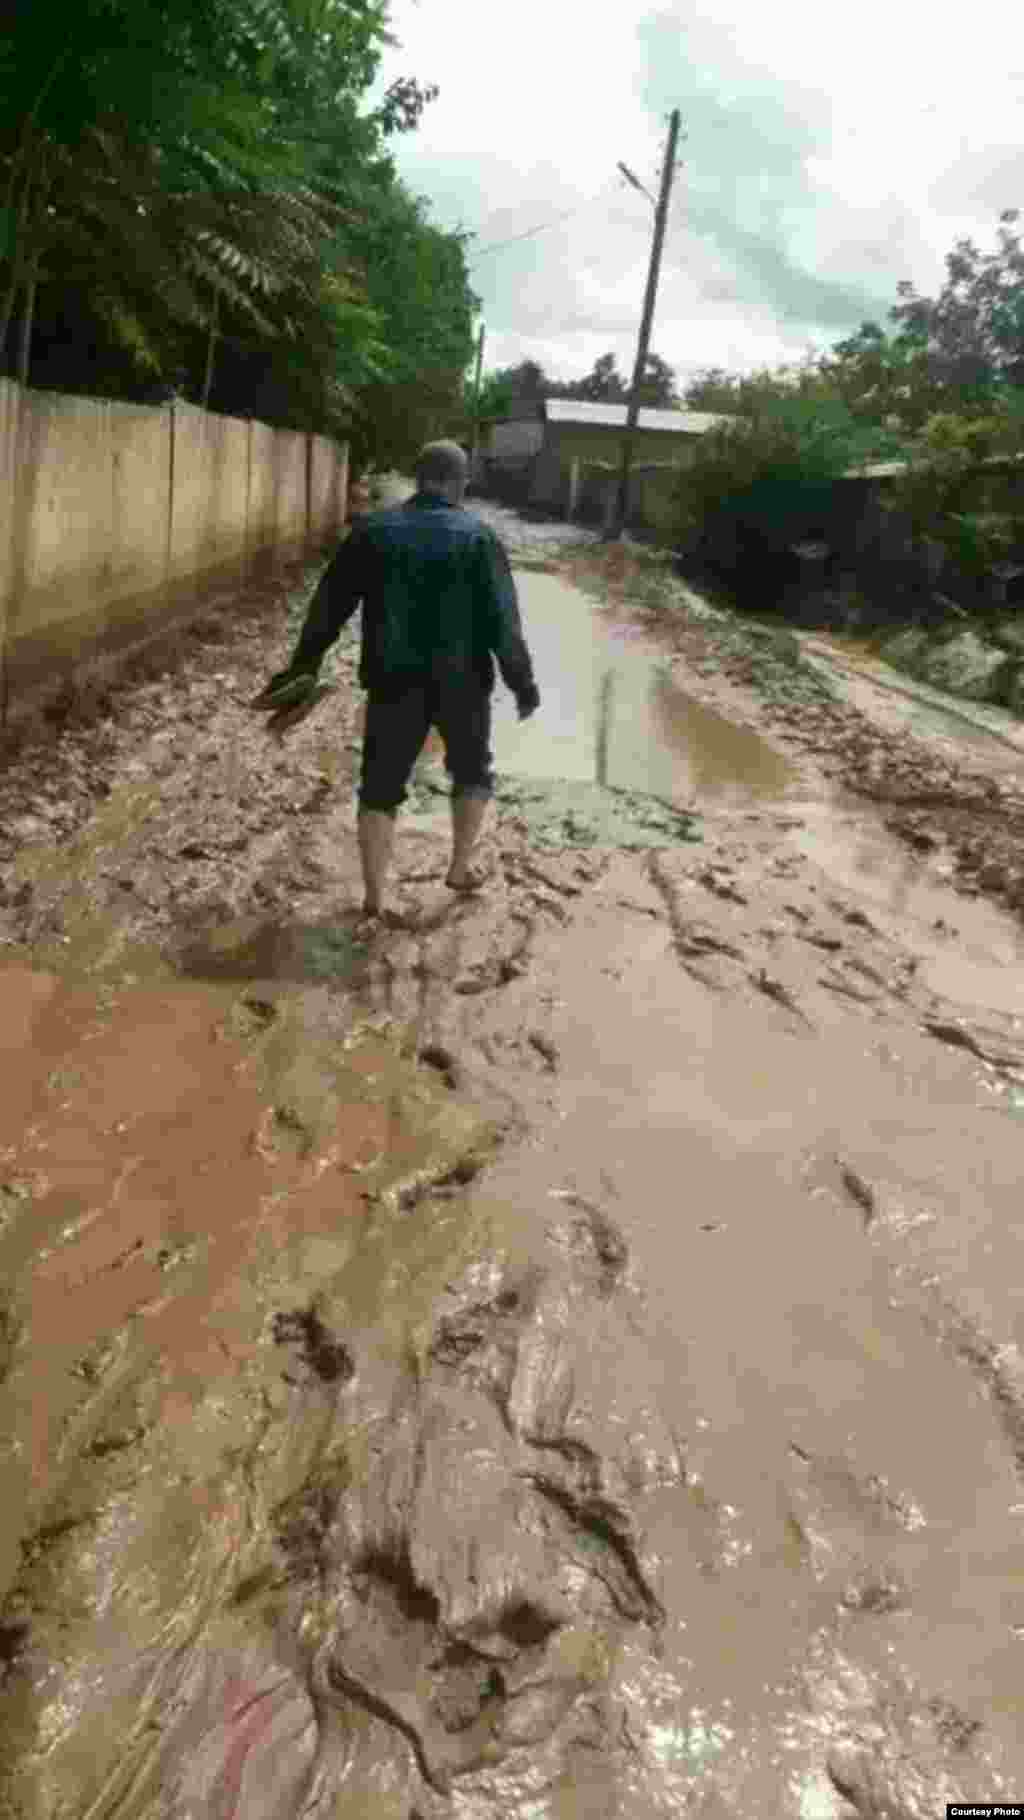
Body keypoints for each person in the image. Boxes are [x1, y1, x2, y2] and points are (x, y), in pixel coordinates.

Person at [257, 440, 540, 928]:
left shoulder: (373, 532)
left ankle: (374, 896)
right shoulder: (480, 538)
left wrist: (303, 666)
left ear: (418, 477)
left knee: (380, 786)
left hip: (393, 682)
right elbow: (503, 622)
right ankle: (459, 869)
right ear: (460, 483)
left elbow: (328, 607)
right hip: (464, 684)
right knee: (472, 773)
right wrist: (522, 682)